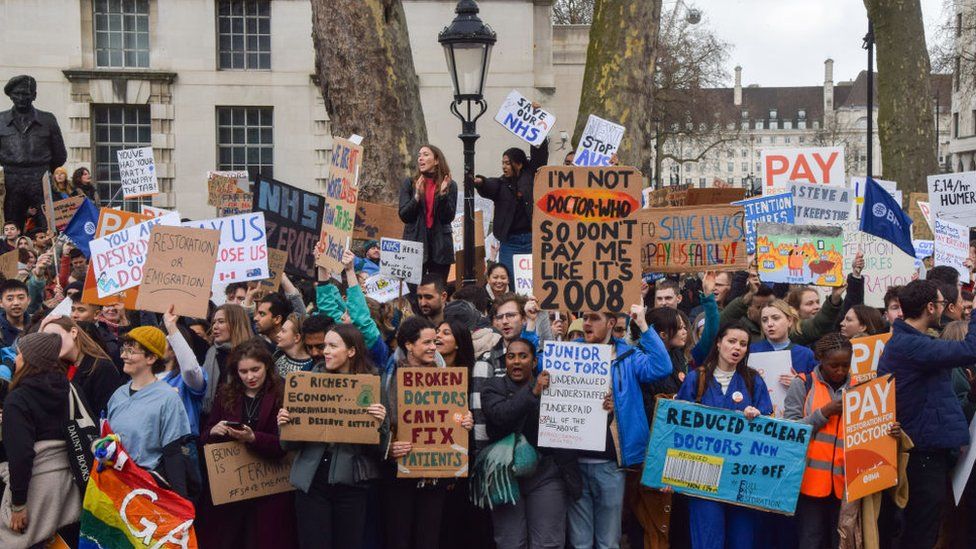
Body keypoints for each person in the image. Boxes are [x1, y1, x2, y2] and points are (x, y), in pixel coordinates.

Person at [878, 280, 976, 548]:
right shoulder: (910, 345)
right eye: (943, 303)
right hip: (921, 454)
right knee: (919, 532)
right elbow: (970, 349)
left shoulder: (913, 342)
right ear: (930, 308)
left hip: (927, 449)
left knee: (926, 529)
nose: (947, 308)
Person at [278, 323, 388, 549]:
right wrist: (286, 424)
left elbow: (382, 449)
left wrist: (380, 423)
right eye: (324, 345)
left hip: (351, 485)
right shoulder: (307, 384)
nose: (325, 351)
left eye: (332, 346)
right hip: (312, 482)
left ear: (351, 351)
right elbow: (288, 444)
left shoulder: (372, 384)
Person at [568, 308, 671, 549]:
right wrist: (532, 322)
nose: (587, 323)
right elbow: (538, 363)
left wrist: (644, 325)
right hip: (573, 463)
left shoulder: (629, 356)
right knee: (579, 543)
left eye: (595, 318)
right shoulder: (569, 354)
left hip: (610, 464)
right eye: (585, 318)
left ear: (611, 323)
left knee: (608, 542)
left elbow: (661, 367)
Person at [676, 322, 773, 548]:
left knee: (743, 541)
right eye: (731, 341)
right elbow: (677, 426)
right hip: (703, 476)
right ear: (718, 343)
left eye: (743, 344)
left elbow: (768, 428)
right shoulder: (696, 378)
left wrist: (758, 417)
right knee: (708, 540)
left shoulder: (753, 380)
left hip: (741, 476)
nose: (736, 348)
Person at [384, 316, 473, 549]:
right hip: (399, 473)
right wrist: (388, 446)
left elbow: (450, 418)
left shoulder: (446, 376)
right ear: (409, 346)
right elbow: (379, 424)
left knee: (429, 539)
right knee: (399, 538)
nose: (434, 347)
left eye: (435, 341)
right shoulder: (388, 376)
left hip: (435, 475)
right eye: (427, 342)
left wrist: (464, 421)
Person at [481, 338, 578, 548]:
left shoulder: (556, 387)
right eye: (511, 356)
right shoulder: (492, 388)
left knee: (547, 542)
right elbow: (501, 416)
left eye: (523, 356)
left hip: (546, 475)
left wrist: (604, 411)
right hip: (505, 476)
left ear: (534, 362)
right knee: (510, 542)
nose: (516, 361)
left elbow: (578, 422)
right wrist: (533, 392)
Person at [200, 340, 295, 549]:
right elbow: (205, 436)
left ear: (267, 367)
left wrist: (254, 438)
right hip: (232, 489)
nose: (250, 377)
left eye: (255, 370)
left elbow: (287, 445)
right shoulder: (226, 393)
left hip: (269, 489)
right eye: (243, 371)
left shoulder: (283, 392)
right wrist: (213, 431)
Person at [0, 332, 81, 548]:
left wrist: (18, 504)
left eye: (19, 355)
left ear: (30, 361)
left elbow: (21, 455)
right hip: (67, 486)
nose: (15, 359)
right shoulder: (69, 389)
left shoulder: (18, 399)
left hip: (34, 485)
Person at [784, 333, 851, 549]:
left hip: (847, 488)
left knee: (841, 543)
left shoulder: (861, 388)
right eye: (834, 366)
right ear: (820, 359)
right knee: (810, 542)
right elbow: (790, 431)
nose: (840, 371)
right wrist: (823, 413)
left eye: (845, 365)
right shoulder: (802, 384)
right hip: (809, 486)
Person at [106, 326, 192, 495]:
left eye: (131, 351)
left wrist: (180, 502)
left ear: (151, 357)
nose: (123, 355)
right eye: (124, 349)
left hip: (147, 488)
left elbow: (172, 453)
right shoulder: (118, 395)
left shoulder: (168, 398)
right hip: (115, 485)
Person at [473, 134, 549, 277]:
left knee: (533, 280)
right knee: (510, 279)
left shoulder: (533, 176)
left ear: (519, 164)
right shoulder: (501, 184)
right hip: (510, 243)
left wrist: (539, 129)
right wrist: (481, 182)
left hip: (533, 240)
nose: (504, 167)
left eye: (508, 163)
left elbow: (540, 154)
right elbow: (490, 185)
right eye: (503, 163)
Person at [0, 75, 67, 231]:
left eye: (26, 93)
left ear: (34, 95)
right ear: (10, 96)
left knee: (48, 227)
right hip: (11, 180)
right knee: (11, 227)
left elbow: (60, 155)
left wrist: (42, 169)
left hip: (40, 179)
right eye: (17, 94)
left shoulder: (48, 120)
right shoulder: (1, 120)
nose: (22, 98)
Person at [398, 144, 457, 281]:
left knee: (437, 289)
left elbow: (448, 217)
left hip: (440, 246)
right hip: (415, 242)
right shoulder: (410, 183)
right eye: (419, 155)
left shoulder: (450, 184)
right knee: (413, 291)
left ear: (436, 160)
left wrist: (442, 196)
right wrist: (416, 196)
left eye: (425, 155)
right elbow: (404, 216)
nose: (420, 159)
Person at [41, 315, 121, 417]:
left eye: (55, 336)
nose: (52, 343)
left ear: (73, 332)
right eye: (46, 340)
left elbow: (104, 414)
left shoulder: (102, 367)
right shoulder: (57, 368)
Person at [159, 307, 208, 451]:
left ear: (175, 349)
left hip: (182, 447)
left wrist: (171, 327)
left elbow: (189, 368)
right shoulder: (146, 379)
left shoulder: (187, 378)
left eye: (160, 342)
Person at [201, 303, 255, 415]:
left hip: (243, 418)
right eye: (214, 322)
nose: (215, 327)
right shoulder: (211, 353)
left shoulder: (254, 354)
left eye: (221, 322)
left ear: (236, 324)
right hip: (211, 420)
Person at [752, 299, 817, 382]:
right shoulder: (751, 351)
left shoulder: (806, 354)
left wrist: (800, 383)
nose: (769, 324)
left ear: (789, 321)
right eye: (764, 320)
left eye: (775, 318)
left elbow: (817, 387)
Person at [0, 278, 31, 346]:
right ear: (1, 303)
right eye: (10, 299)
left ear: (28, 300)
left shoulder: (36, 324)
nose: (16, 303)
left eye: (21, 298)